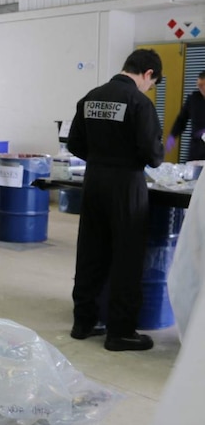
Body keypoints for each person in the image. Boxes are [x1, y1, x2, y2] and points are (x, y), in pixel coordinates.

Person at [67, 48, 164, 352]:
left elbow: (73, 143)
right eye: (153, 82)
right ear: (147, 74)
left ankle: (84, 321)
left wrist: (100, 158)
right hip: (126, 185)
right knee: (126, 257)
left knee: (91, 252)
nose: (150, 87)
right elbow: (153, 155)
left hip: (94, 181)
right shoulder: (139, 103)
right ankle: (120, 332)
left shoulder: (90, 97)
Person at [167, 70, 205, 162]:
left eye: (203, 85)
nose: (201, 88)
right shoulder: (193, 99)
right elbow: (181, 119)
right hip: (196, 148)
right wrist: (173, 135)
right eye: (199, 85)